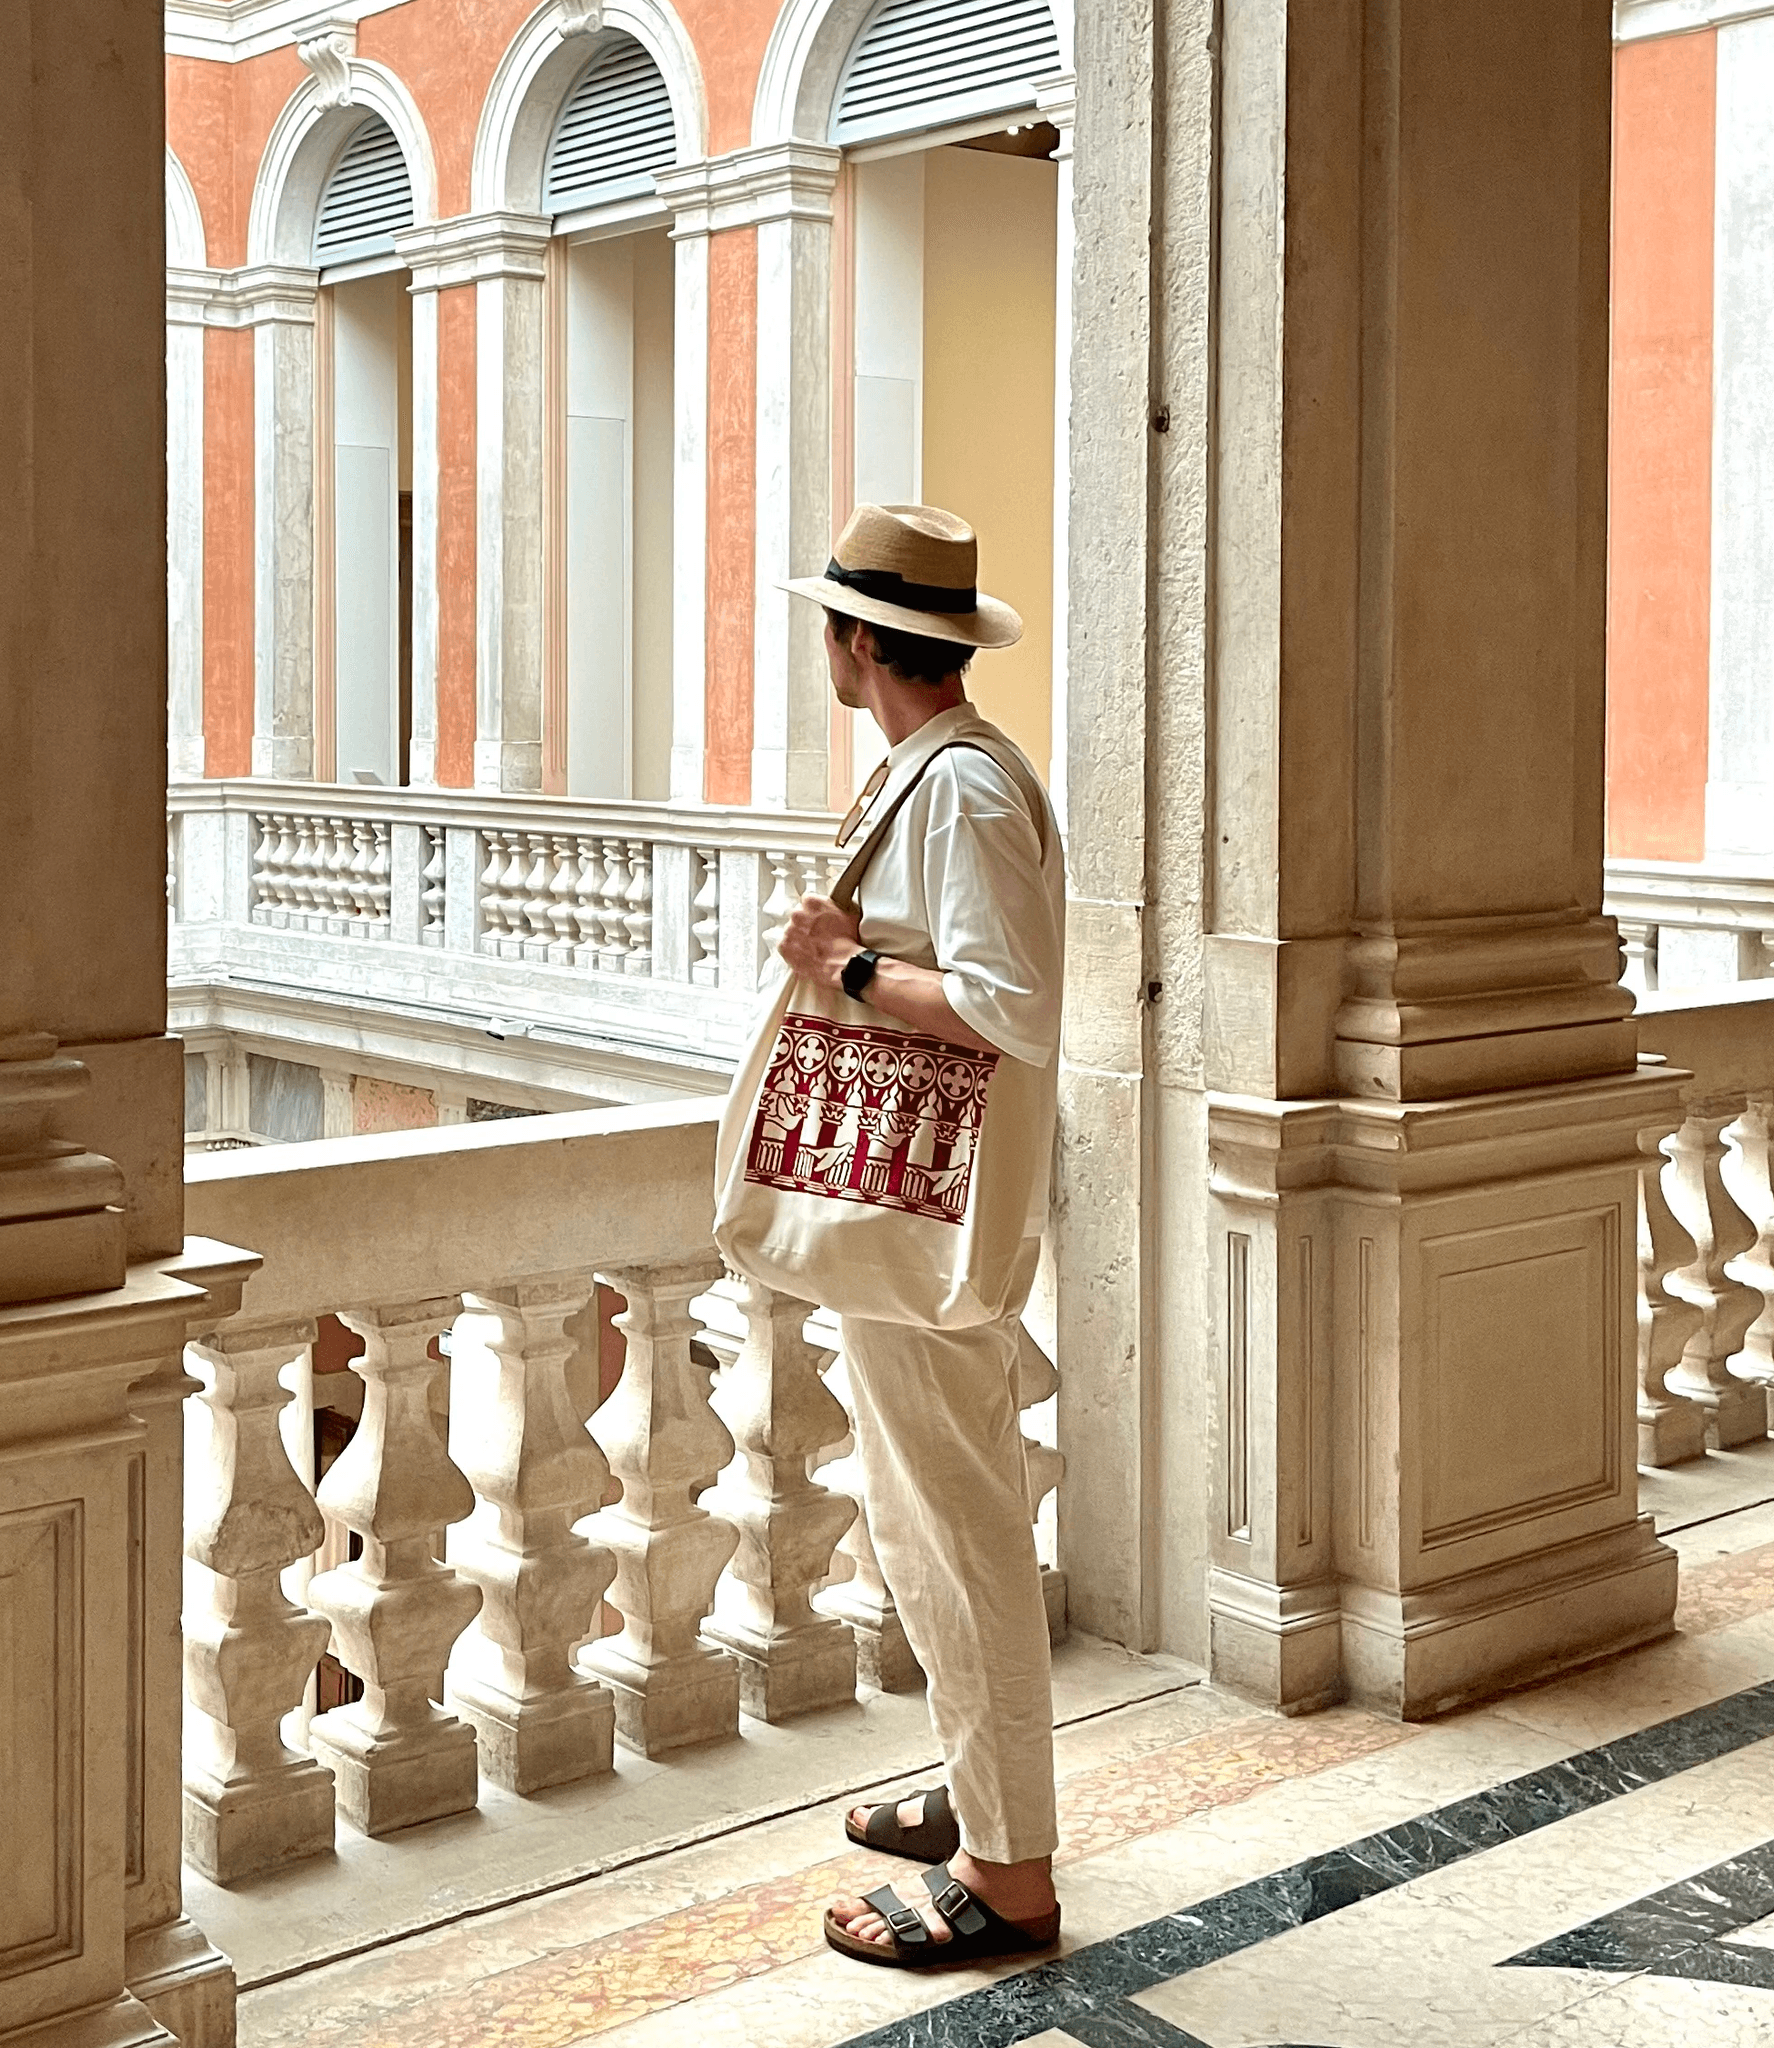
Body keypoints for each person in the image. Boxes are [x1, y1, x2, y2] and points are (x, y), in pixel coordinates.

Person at [768, 503, 1066, 1969]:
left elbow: (1011, 1006)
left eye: (827, 621)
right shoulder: (933, 775)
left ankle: (1009, 1880)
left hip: (930, 1223)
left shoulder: (959, 793)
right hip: (910, 1208)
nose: (819, 641)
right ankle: (974, 1794)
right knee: (923, 1519)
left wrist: (850, 963)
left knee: (959, 1534)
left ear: (860, 641)